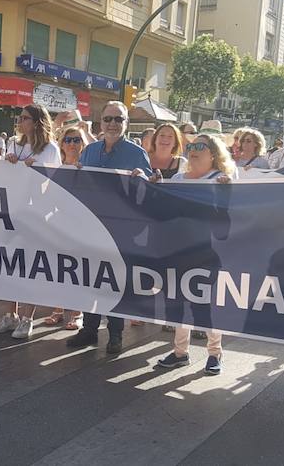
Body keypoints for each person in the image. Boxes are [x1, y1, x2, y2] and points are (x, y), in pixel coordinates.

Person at [142, 133, 234, 375]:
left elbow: (223, 230)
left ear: (212, 153)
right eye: (191, 145)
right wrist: (156, 188)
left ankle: (215, 353)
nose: (193, 149)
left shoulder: (220, 181)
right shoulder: (180, 178)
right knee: (176, 304)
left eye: (200, 145)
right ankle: (180, 352)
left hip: (204, 255)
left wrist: (224, 196)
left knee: (205, 307)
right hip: (175, 253)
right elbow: (161, 215)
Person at [66, 101, 152, 354]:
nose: (113, 124)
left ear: (126, 123)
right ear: (100, 122)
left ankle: (116, 334)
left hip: (122, 231)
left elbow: (148, 193)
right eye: (108, 119)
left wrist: (143, 179)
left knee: (115, 283)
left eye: (119, 119)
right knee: (91, 279)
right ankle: (90, 330)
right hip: (91, 226)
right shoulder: (89, 151)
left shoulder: (137, 154)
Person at [0, 104, 62, 339]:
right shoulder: (14, 144)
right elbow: (3, 176)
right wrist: (7, 161)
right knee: (10, 264)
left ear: (38, 121)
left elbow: (55, 181)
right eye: (19, 118)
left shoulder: (49, 148)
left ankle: (28, 317)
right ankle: (11, 314)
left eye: (25, 118)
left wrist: (36, 168)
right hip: (13, 210)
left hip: (38, 214)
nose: (20, 122)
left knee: (30, 266)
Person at [41, 125, 90, 331]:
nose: (72, 144)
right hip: (60, 226)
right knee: (59, 269)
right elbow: (49, 198)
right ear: (62, 144)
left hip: (83, 227)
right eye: (68, 140)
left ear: (83, 144)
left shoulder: (90, 169)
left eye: (76, 140)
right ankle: (58, 309)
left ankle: (77, 313)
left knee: (78, 270)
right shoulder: (58, 170)